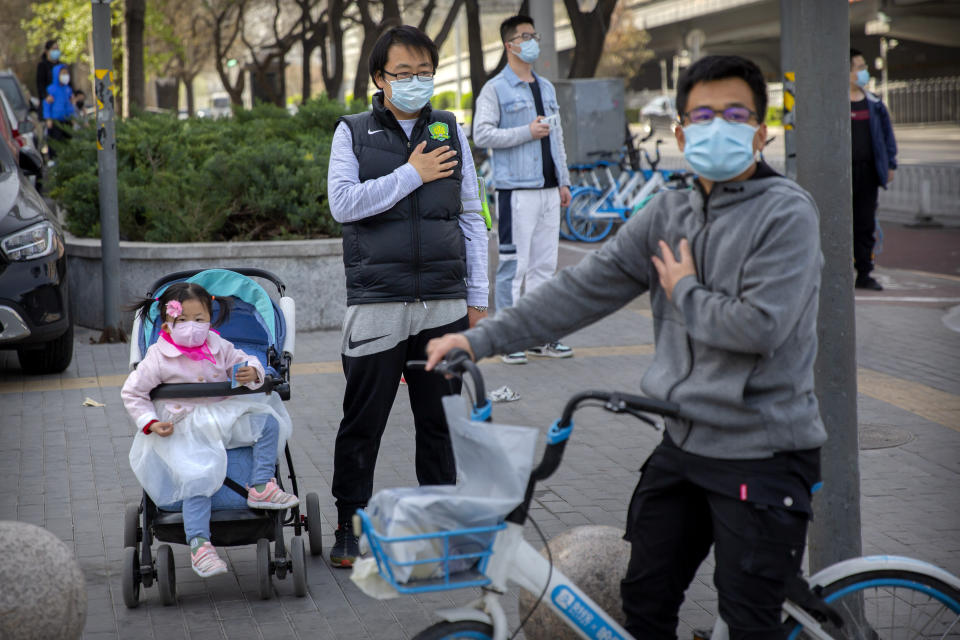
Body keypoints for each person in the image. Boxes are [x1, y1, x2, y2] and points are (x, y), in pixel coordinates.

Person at [426, 55, 826, 640]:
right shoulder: (669, 210)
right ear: (683, 131)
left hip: (763, 454)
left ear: (762, 130)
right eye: (705, 114)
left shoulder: (787, 212)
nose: (721, 126)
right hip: (684, 442)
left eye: (736, 113)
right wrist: (478, 338)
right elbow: (584, 288)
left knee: (748, 621)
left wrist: (683, 290)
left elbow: (760, 328)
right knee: (644, 598)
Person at [325, 25, 489, 568]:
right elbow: (344, 204)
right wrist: (411, 174)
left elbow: (471, 215)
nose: (416, 82)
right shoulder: (351, 132)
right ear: (379, 77)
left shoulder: (450, 130)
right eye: (404, 74)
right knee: (362, 422)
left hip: (443, 302)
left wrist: (478, 298)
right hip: (377, 303)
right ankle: (351, 524)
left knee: (439, 423)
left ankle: (442, 527)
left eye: (425, 73)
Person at [122, 282, 298, 578]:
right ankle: (200, 544)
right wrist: (150, 422)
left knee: (267, 421)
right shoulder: (158, 356)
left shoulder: (219, 345)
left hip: (220, 413)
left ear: (210, 320)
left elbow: (247, 359)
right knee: (197, 477)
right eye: (182, 321)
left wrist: (252, 371)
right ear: (167, 323)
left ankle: (260, 485)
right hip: (183, 424)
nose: (192, 327)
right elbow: (133, 392)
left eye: (199, 319)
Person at [473, 14, 573, 365]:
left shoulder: (545, 87)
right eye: (525, 36)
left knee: (545, 268)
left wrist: (564, 181)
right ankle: (509, 338)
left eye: (535, 35)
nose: (532, 41)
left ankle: (542, 337)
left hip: (548, 191)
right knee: (513, 267)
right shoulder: (495, 89)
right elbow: (482, 133)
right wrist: (525, 132)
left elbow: (557, 137)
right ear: (509, 44)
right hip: (516, 190)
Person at [849, 48, 897, 291]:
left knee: (865, 224)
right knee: (839, 222)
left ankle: (864, 273)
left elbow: (888, 137)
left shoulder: (875, 104)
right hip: (841, 175)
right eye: (859, 67)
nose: (864, 72)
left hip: (867, 173)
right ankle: (838, 270)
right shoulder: (833, 106)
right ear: (846, 73)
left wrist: (890, 164)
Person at [42, 63, 75, 157]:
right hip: (55, 120)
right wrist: (48, 118)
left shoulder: (68, 89)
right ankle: (53, 159)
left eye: (66, 73)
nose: (65, 76)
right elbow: (47, 104)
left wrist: (73, 117)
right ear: (57, 74)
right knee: (55, 141)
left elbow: (70, 105)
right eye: (63, 73)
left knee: (67, 140)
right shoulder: (51, 89)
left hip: (66, 119)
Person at [35, 39, 61, 105]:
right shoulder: (42, 66)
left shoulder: (61, 66)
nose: (56, 51)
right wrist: (46, 96)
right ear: (47, 51)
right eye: (53, 49)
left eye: (57, 49)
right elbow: (40, 85)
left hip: (60, 101)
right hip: (48, 102)